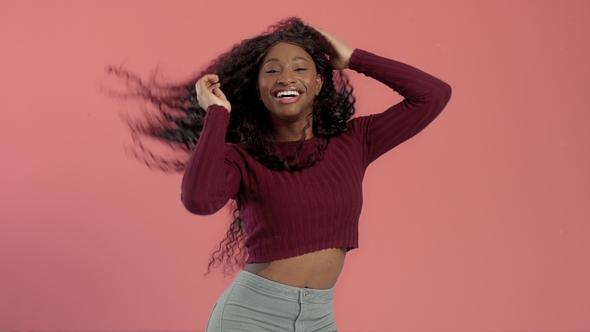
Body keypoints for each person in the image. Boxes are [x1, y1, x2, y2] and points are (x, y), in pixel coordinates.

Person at [112, 17, 451, 332]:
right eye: (272, 71)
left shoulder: (354, 141)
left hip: (319, 317)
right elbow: (199, 200)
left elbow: (432, 96)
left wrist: (352, 58)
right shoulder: (242, 158)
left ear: (318, 83)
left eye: (300, 68)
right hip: (250, 316)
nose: (286, 78)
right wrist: (216, 114)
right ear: (258, 90)